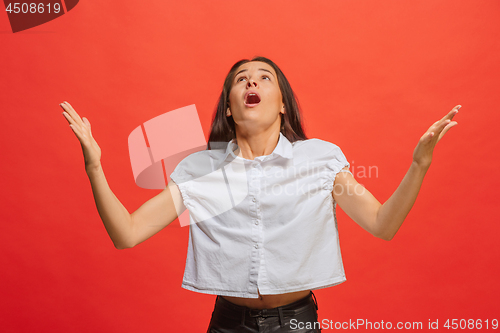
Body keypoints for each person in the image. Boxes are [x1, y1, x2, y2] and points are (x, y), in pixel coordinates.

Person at [60, 56, 460, 332]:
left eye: (264, 77)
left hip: (298, 323)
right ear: (230, 109)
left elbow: (381, 224)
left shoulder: (319, 159)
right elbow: (126, 234)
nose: (252, 81)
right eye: (241, 78)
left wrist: (419, 164)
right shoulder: (201, 170)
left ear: (282, 104)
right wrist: (94, 166)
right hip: (228, 324)